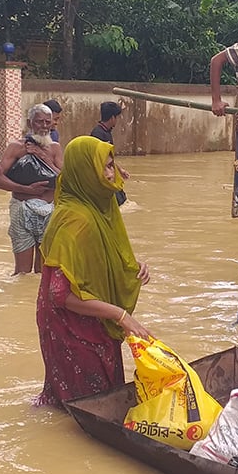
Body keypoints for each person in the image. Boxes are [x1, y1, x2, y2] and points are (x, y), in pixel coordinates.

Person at [33, 136, 153, 407]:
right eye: (104, 168)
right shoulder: (76, 220)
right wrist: (121, 315)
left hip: (94, 316)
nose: (111, 175)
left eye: (112, 166)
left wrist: (133, 268)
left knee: (91, 397)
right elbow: (61, 296)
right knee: (87, 403)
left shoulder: (99, 207)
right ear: (85, 173)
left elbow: (102, 259)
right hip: (70, 324)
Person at [0, 104, 64, 275]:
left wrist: (44, 157)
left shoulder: (55, 149)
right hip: (22, 209)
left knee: (45, 272)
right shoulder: (16, 147)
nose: (44, 126)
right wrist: (26, 189)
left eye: (48, 122)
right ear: (30, 123)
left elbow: (65, 180)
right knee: (22, 273)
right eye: (39, 122)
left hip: (49, 211)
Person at [90, 101, 130, 205]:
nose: (117, 120)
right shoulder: (98, 134)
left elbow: (109, 157)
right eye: (117, 117)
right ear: (112, 118)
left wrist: (119, 170)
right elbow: (101, 159)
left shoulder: (106, 132)